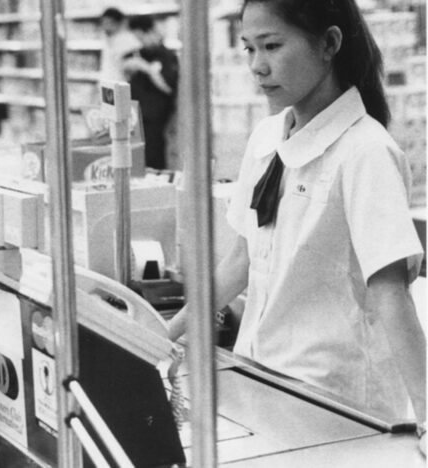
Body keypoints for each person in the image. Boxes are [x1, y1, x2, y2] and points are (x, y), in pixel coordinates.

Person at [167, 0, 426, 432]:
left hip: (338, 402)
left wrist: (427, 412)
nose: (257, 66)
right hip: (262, 379)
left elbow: (390, 292)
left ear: (329, 44)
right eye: (249, 48)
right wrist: (162, 337)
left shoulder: (365, 152)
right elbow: (239, 262)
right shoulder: (266, 137)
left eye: (271, 46)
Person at [124, 15, 178, 169]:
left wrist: (147, 69)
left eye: (141, 37)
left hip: (155, 121)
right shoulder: (138, 53)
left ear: (150, 32)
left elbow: (168, 87)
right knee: (137, 160)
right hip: (136, 117)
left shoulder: (167, 56)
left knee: (153, 158)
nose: (141, 42)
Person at [98, 7, 141, 83]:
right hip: (108, 84)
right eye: (103, 23)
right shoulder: (108, 39)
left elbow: (133, 67)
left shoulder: (129, 40)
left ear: (118, 23)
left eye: (108, 23)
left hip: (122, 85)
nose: (105, 27)